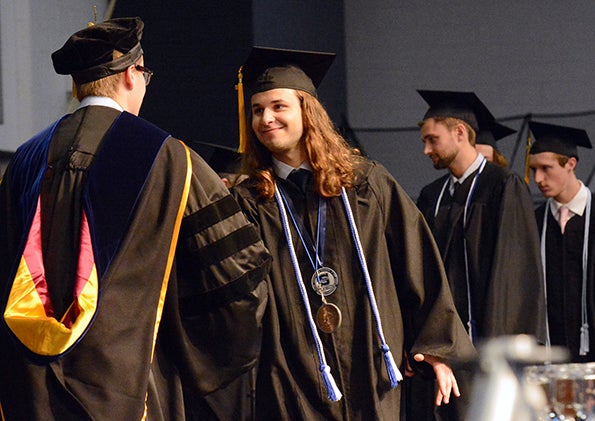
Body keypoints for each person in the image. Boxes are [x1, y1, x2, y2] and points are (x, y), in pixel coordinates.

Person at [0, 18, 271, 420]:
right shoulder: (171, 160)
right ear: (131, 74)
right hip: (133, 388)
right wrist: (193, 353)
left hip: (29, 392)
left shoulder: (25, 160)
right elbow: (235, 277)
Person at [230, 47, 476, 420]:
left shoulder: (364, 182)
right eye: (257, 110)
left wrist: (439, 348)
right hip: (293, 377)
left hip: (370, 365)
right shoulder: (251, 200)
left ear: (307, 110)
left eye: (279, 106)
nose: (266, 118)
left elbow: (416, 259)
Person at [414, 90, 546, 420]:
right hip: (444, 351)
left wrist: (498, 354)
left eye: (433, 139)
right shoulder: (432, 196)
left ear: (460, 133)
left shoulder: (503, 185)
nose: (426, 149)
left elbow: (513, 277)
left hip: (485, 350)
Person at [528, 120, 595, 362]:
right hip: (550, 351)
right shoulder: (534, 221)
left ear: (571, 164)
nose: (538, 178)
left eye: (546, 168)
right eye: (533, 169)